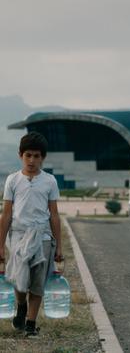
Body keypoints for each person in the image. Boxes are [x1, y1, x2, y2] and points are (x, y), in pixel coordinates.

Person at [0, 132, 63, 336]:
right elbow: (6, 215)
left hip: (43, 238)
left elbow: (54, 215)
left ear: (42, 158)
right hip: (18, 237)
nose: (32, 160)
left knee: (37, 283)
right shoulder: (12, 180)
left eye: (36, 156)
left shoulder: (50, 181)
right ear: (20, 155)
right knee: (20, 280)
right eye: (28, 155)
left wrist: (59, 246)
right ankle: (21, 306)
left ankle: (30, 323)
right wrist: (0, 245)